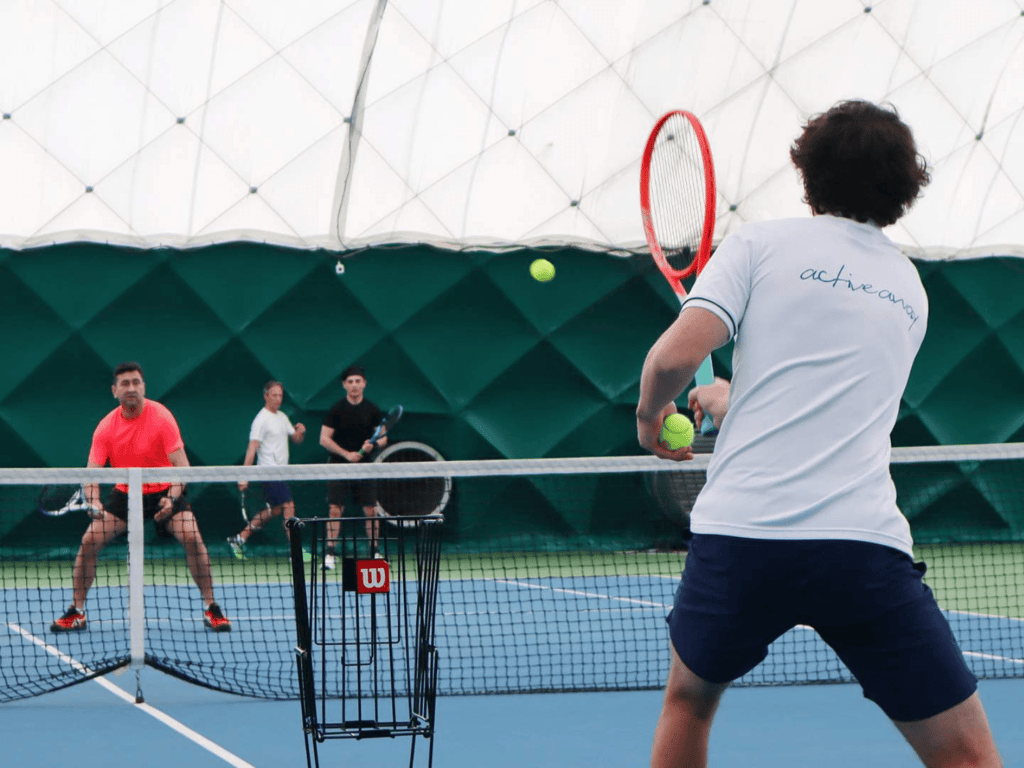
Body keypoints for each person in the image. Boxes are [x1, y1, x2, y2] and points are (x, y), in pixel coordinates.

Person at [637, 100, 1001, 768]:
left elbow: (672, 359)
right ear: (903, 188)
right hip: (860, 551)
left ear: (808, 172)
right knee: (969, 757)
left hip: (743, 541)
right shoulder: (910, 288)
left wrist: (648, 417)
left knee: (689, 701)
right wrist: (730, 398)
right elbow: (829, 397)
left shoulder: (757, 244)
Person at [52, 362, 231, 633]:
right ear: (115, 391)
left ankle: (211, 606)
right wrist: (93, 500)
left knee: (192, 538)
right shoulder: (105, 427)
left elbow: (183, 469)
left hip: (164, 491)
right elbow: (91, 474)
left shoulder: (162, 418)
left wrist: (171, 499)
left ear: (144, 387)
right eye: (125, 384)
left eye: (136, 382)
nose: (131, 388)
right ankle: (77, 611)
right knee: (89, 542)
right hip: (126, 494)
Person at [227, 380, 306, 560]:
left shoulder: (282, 417)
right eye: (274, 395)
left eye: (280, 395)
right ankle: (295, 551)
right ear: (266, 396)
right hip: (268, 472)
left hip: (281, 473)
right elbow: (252, 448)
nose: (278, 399)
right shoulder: (260, 420)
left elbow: (295, 439)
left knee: (275, 510)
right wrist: (244, 476)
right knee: (288, 506)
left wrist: (300, 431)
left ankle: (239, 539)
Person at [319, 365, 388, 569]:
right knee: (334, 509)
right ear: (344, 385)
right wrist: (346, 454)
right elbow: (324, 439)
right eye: (350, 381)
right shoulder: (337, 409)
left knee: (371, 510)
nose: (354, 385)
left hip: (365, 467)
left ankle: (374, 552)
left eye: (358, 381)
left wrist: (372, 445)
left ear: (364, 384)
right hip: (338, 466)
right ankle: (330, 553)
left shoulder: (372, 409)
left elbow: (383, 439)